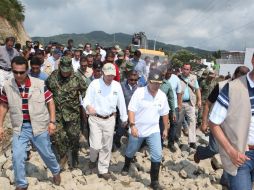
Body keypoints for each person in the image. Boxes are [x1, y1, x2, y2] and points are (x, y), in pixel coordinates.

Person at [0, 56, 61, 190]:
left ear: (27, 70)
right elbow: (4, 105)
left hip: (39, 125)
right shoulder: (8, 86)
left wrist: (52, 122)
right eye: (15, 72)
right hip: (20, 127)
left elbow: (50, 101)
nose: (18, 75)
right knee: (17, 156)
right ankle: (21, 184)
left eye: (21, 72)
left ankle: (56, 171)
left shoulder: (39, 84)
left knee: (47, 153)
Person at [209, 56, 254, 189]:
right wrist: (231, 151)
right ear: (253, 60)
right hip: (241, 156)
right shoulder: (232, 88)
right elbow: (214, 123)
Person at [121, 69, 169, 190]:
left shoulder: (162, 96)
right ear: (148, 81)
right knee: (131, 150)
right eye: (154, 83)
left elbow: (164, 113)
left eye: (159, 83)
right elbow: (131, 109)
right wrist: (132, 126)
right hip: (138, 129)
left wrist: (165, 129)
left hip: (154, 130)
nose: (156, 85)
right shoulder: (139, 92)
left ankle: (154, 182)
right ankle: (126, 165)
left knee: (157, 154)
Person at [83, 63, 128, 180]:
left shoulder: (117, 86)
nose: (110, 77)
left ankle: (103, 169)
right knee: (95, 145)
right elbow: (86, 99)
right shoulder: (94, 84)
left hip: (110, 119)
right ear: (103, 73)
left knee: (107, 146)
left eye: (112, 75)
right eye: (108, 75)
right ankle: (92, 159)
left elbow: (121, 102)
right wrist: (88, 107)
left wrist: (124, 118)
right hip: (95, 119)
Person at [46, 56, 87, 169]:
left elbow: (85, 92)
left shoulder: (77, 78)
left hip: (72, 114)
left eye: (67, 71)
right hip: (57, 114)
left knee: (73, 137)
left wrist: (87, 105)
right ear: (60, 67)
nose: (65, 73)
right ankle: (63, 156)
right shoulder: (53, 76)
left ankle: (74, 155)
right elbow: (46, 90)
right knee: (58, 136)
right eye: (63, 70)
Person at [176, 63, 201, 149]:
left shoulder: (193, 78)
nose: (186, 71)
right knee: (178, 121)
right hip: (180, 103)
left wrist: (199, 100)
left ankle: (192, 141)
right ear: (182, 69)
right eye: (184, 69)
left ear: (190, 70)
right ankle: (177, 139)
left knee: (192, 121)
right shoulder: (177, 78)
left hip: (191, 103)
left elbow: (197, 89)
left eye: (187, 69)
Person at [113, 70, 140, 148]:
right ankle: (116, 140)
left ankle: (132, 148)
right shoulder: (121, 85)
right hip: (123, 112)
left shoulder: (140, 87)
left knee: (133, 131)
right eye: (131, 79)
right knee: (120, 130)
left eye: (135, 80)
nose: (133, 81)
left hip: (135, 114)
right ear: (127, 78)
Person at [166, 65, 182, 152]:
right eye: (167, 71)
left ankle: (170, 143)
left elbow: (179, 92)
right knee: (161, 124)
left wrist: (179, 104)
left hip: (174, 105)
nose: (168, 72)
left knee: (174, 123)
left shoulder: (176, 78)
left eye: (170, 71)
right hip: (162, 106)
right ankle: (159, 142)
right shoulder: (160, 77)